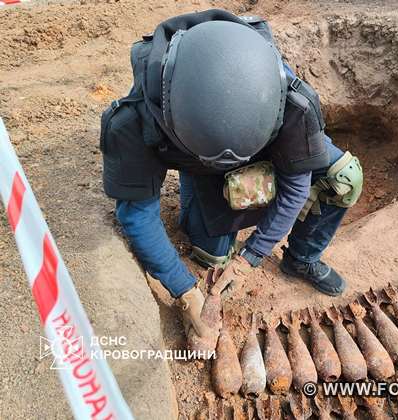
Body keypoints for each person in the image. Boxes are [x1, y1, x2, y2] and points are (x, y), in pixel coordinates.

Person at [100, 9, 363, 338]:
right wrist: (185, 292)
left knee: (343, 178)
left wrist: (250, 256)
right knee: (212, 257)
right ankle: (197, 195)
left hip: (262, 140)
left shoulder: (288, 97)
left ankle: (302, 257)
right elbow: (136, 214)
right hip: (199, 165)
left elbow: (297, 186)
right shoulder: (135, 119)